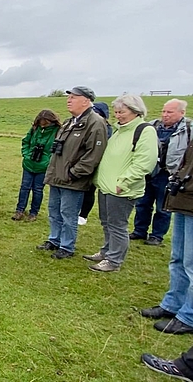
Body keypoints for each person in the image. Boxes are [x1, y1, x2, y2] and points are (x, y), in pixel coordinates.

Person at [82, 95, 158, 272]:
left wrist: (124, 182)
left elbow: (144, 162)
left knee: (117, 225)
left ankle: (114, 260)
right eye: (116, 112)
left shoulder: (144, 131)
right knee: (106, 222)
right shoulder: (119, 131)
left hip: (121, 189)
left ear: (135, 111)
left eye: (122, 112)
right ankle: (106, 251)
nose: (118, 115)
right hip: (106, 186)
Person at [37, 86, 107, 259]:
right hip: (57, 176)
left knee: (68, 214)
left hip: (72, 179)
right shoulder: (70, 122)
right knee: (54, 211)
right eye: (69, 97)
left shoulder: (95, 123)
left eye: (74, 97)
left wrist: (74, 173)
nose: (69, 100)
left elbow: (93, 155)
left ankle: (67, 246)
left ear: (86, 100)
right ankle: (54, 240)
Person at [139, 136, 193, 335]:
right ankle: (172, 304)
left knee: (191, 263)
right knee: (178, 258)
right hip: (182, 200)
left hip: (188, 199)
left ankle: (189, 316)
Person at [131, 99, 191, 245]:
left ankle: (157, 235)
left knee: (162, 206)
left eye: (169, 112)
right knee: (142, 203)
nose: (165, 115)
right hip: (150, 171)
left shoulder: (188, 129)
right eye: (163, 111)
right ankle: (139, 231)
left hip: (169, 173)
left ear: (182, 113)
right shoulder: (152, 126)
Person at [12, 109, 62, 222]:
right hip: (29, 163)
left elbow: (57, 149)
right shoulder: (34, 129)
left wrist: (49, 161)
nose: (43, 126)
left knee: (38, 189)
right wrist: (26, 154)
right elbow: (25, 142)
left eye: (46, 123)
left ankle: (33, 213)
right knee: (24, 187)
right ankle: (19, 210)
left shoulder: (58, 131)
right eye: (41, 123)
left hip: (44, 167)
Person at [78, 102, 113, 225]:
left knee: (89, 189)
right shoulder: (88, 125)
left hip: (96, 163)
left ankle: (83, 215)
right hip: (83, 161)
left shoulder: (105, 129)